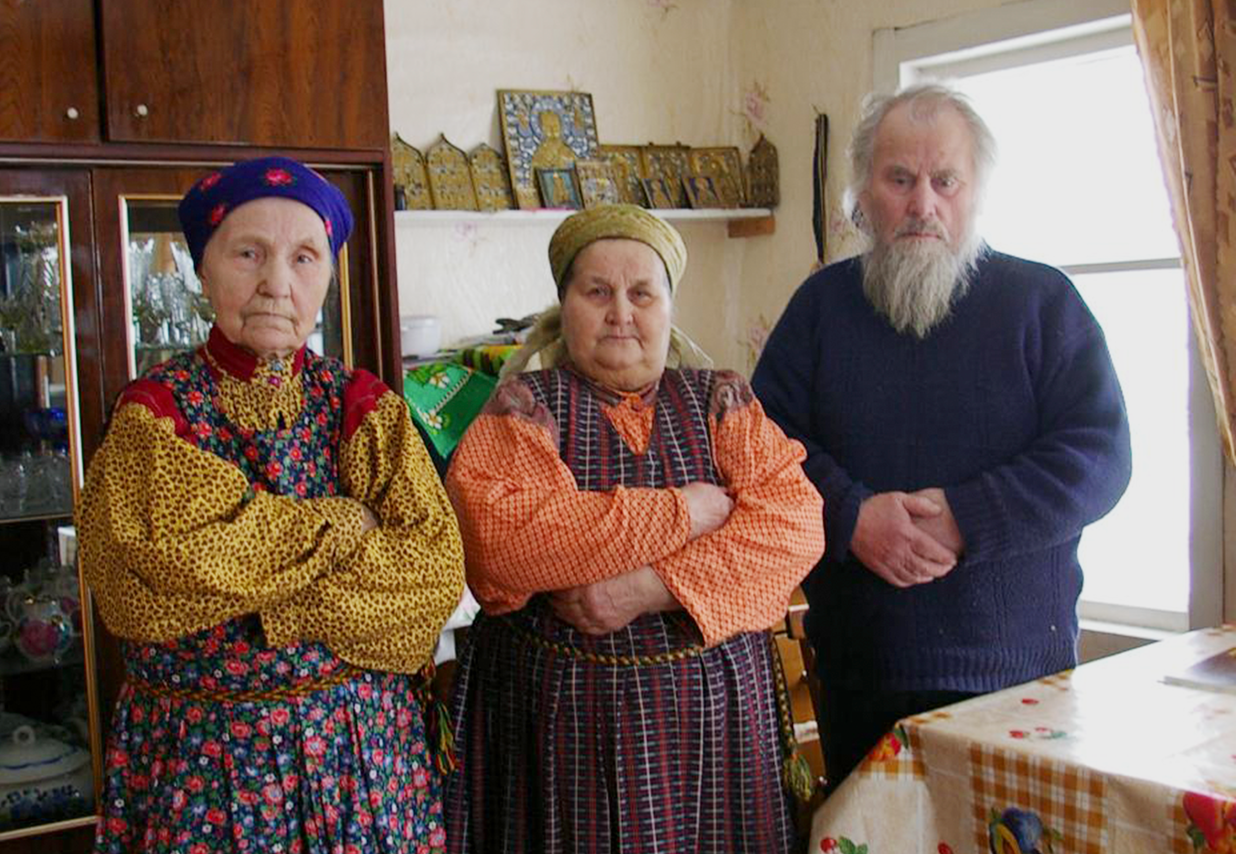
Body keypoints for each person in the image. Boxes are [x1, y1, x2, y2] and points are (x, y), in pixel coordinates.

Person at [77, 156, 464, 853]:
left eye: (305, 257)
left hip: (360, 752)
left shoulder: (364, 406)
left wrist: (253, 578)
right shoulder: (155, 415)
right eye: (248, 253)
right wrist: (344, 522)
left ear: (329, 275)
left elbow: (429, 580)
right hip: (203, 758)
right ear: (203, 268)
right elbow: (149, 584)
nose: (276, 284)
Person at [751, 83, 1132, 792]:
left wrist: (969, 517)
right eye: (899, 179)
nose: (922, 203)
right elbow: (761, 447)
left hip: (1021, 686)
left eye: (944, 180)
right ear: (863, 192)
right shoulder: (819, 310)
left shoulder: (1043, 304)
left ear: (975, 190)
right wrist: (852, 516)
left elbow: (1099, 457)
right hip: (861, 679)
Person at [442, 204, 825, 852]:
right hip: (559, 737)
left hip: (721, 738)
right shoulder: (523, 407)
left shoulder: (721, 400)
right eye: (597, 292)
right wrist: (689, 510)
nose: (621, 311)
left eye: (641, 293)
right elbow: (503, 542)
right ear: (565, 305)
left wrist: (647, 587)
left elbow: (792, 528)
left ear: (669, 307)